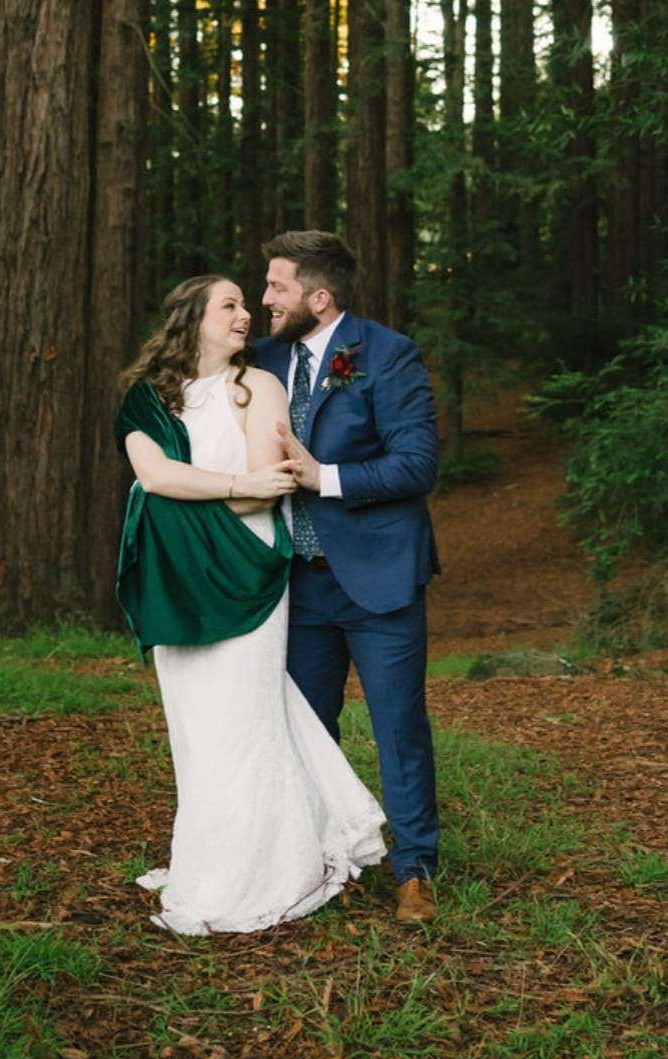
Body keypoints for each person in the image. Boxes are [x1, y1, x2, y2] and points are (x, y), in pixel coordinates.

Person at [114, 274, 388, 935]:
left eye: (246, 304)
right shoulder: (147, 396)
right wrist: (220, 484)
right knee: (195, 724)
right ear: (193, 317)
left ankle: (268, 870)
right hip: (178, 574)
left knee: (244, 719)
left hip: (247, 568)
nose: (245, 316)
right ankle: (206, 861)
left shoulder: (256, 386)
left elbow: (262, 494)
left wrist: (194, 493)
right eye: (229, 305)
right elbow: (152, 476)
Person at [253, 231, 442, 923]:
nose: (264, 300)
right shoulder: (264, 360)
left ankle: (413, 871)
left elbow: (416, 465)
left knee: (397, 729)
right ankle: (317, 860)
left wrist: (320, 476)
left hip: (378, 577)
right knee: (304, 730)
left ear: (318, 297)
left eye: (276, 287)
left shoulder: (387, 355)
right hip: (295, 584)